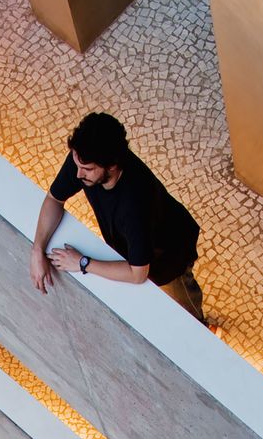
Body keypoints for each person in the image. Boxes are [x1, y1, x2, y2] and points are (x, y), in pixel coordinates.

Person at [30, 112, 207, 323]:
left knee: (184, 306)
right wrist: (37, 250)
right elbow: (54, 199)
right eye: (77, 164)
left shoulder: (135, 205)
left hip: (168, 256)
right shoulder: (85, 158)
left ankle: (202, 325)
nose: (77, 174)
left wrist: (83, 262)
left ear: (112, 166)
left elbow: (138, 274)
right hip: (134, 245)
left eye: (87, 169)